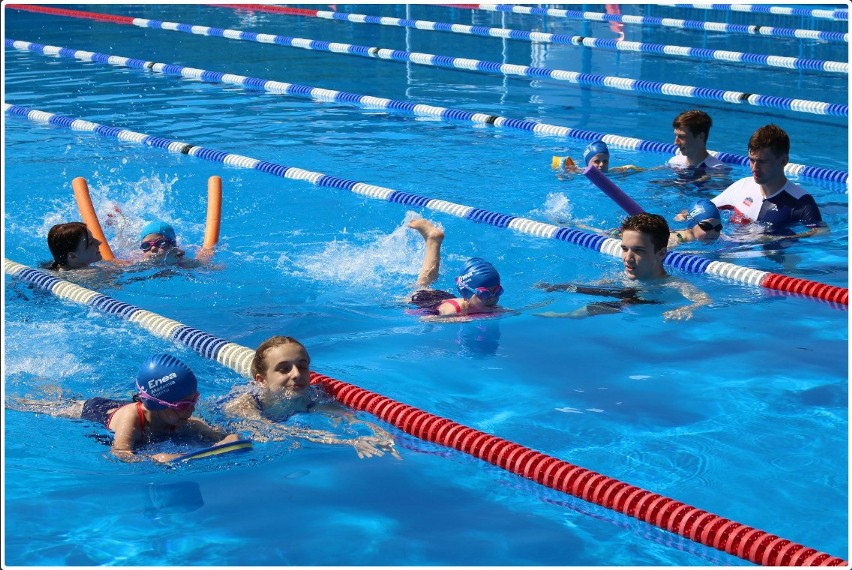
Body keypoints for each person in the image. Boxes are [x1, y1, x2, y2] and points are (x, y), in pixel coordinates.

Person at [8, 353, 240, 463]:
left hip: (129, 405)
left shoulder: (179, 416)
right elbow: (120, 452)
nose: (191, 411)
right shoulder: (132, 419)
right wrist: (155, 458)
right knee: (49, 406)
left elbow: (221, 437)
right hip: (95, 410)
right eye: (183, 405)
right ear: (157, 403)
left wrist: (226, 438)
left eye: (194, 400)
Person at [223, 336, 401, 459]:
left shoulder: (312, 398)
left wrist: (377, 431)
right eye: (284, 369)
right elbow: (273, 432)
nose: (296, 374)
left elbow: (348, 417)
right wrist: (348, 441)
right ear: (261, 380)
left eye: (302, 366)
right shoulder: (244, 404)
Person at [535, 213, 711, 320]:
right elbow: (597, 286)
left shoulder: (674, 285)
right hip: (629, 297)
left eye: (638, 251)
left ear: (661, 254)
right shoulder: (621, 276)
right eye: (624, 249)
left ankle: (565, 316)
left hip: (646, 303)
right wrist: (562, 287)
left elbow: (705, 300)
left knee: (627, 302)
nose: (628, 258)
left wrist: (687, 308)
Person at [707, 124, 827, 238]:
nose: (754, 168)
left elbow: (822, 233)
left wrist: (778, 238)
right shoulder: (742, 186)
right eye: (751, 160)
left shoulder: (801, 202)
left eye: (762, 162)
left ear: (783, 161)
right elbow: (705, 209)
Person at [407, 218, 504, 319]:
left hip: (445, 297)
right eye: (484, 294)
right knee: (421, 286)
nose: (492, 298)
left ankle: (433, 240)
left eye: (497, 291)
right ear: (467, 293)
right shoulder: (450, 311)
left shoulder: (487, 306)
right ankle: (433, 241)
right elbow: (426, 319)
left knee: (427, 282)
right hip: (422, 299)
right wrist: (461, 319)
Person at [666, 109, 730, 183]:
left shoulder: (718, 170)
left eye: (682, 136)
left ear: (701, 137)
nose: (675, 142)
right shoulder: (675, 161)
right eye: (676, 136)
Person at [553, 140, 642, 177]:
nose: (602, 164)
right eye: (597, 161)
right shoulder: (580, 172)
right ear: (588, 163)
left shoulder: (613, 172)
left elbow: (627, 168)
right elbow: (562, 175)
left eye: (605, 161)